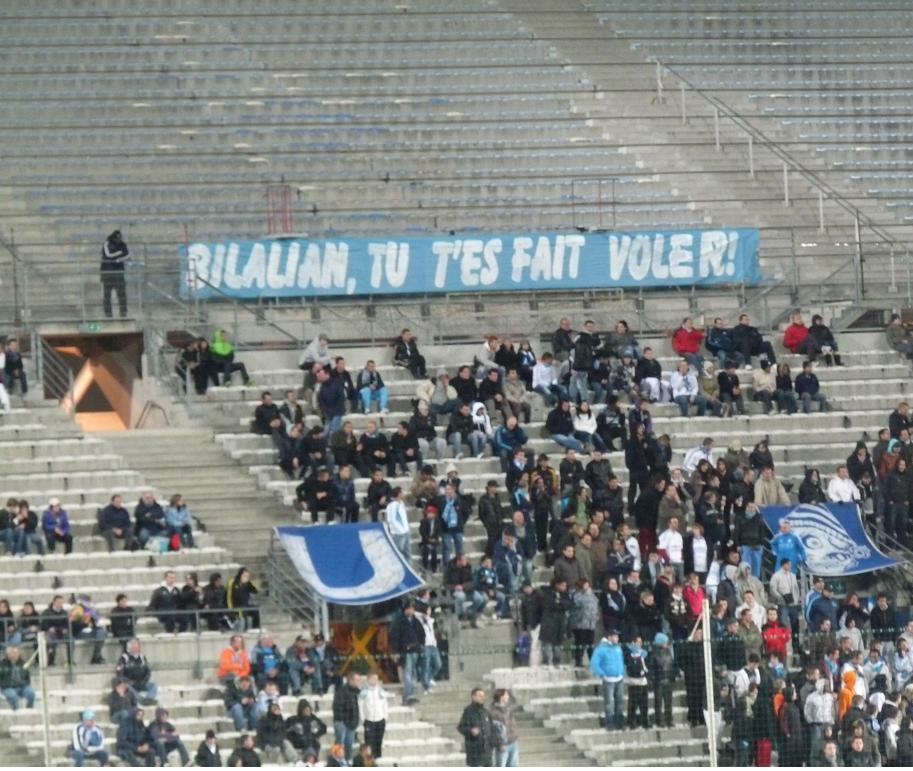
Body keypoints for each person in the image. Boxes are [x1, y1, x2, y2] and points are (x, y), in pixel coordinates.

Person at [591, 629, 625, 731]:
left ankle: (619, 722)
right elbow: (594, 663)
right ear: (609, 637)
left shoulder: (618, 648)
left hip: (619, 678)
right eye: (615, 636)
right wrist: (602, 674)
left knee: (619, 701)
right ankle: (609, 723)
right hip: (608, 679)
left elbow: (621, 662)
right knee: (609, 702)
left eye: (617, 636)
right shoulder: (601, 649)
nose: (617, 638)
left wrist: (622, 673)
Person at [458, 688, 495, 767]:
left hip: (487, 751)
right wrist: (471, 731)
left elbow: (491, 728)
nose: (482, 697)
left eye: (483, 696)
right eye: (480, 695)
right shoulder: (468, 711)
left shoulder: (485, 712)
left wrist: (492, 743)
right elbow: (461, 727)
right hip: (475, 751)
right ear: (473, 697)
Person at [114, 638, 158, 703]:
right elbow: (119, 673)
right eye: (134, 647)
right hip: (130, 683)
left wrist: (144, 680)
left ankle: (149, 699)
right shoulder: (124, 658)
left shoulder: (142, 657)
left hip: (141, 682)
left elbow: (148, 671)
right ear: (129, 648)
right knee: (126, 687)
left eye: (137, 647)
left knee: (153, 685)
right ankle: (141, 700)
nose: (136, 649)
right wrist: (130, 682)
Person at [359, 672, 389, 759]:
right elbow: (361, 706)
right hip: (369, 720)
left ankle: (378, 757)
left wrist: (385, 717)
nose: (375, 681)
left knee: (379, 740)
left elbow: (385, 705)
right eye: (373, 679)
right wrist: (363, 719)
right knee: (369, 741)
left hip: (380, 719)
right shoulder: (364, 692)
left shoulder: (381, 691)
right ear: (368, 680)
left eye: (376, 679)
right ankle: (369, 760)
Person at [332, 671, 361, 760]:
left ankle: (347, 762)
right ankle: (337, 762)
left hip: (352, 723)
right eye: (356, 680)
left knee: (349, 745)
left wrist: (355, 722)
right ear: (350, 680)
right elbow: (337, 707)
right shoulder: (342, 691)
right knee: (339, 744)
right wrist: (342, 720)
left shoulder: (357, 692)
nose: (358, 682)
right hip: (342, 722)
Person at [100, 229, 129, 318]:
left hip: (119, 273)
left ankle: (123, 312)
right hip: (107, 273)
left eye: (120, 238)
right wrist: (119, 253)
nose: (118, 240)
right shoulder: (107, 244)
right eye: (117, 238)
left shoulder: (123, 245)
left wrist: (120, 259)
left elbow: (128, 255)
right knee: (107, 295)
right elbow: (107, 255)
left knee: (122, 294)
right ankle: (108, 314)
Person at [489, 689, 519, 767]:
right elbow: (494, 730)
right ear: (501, 697)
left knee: (513, 766)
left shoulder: (508, 709)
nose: (508, 696)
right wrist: (500, 744)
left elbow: (515, 702)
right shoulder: (493, 711)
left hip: (513, 741)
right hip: (502, 745)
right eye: (506, 695)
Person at [0, 646, 35, 711]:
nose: (14, 655)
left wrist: (25, 684)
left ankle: (29, 710)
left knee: (31, 694)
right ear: (8, 654)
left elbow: (27, 677)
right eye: (12, 653)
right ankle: (17, 713)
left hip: (22, 687)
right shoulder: (2, 664)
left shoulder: (23, 663)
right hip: (8, 688)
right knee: (13, 697)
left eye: (16, 653)